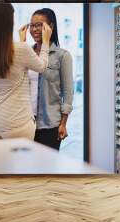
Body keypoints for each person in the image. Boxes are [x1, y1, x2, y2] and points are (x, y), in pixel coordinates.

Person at [0, 3, 52, 140]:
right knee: (19, 163)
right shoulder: (21, 49)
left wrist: (22, 42)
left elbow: (11, 66)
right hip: (16, 123)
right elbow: (41, 66)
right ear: (8, 23)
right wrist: (46, 41)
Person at [27, 8, 74, 150]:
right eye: (32, 25)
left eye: (39, 25)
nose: (34, 29)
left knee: (46, 170)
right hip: (26, 123)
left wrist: (63, 124)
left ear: (50, 27)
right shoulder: (26, 53)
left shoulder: (63, 56)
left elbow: (68, 92)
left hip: (50, 125)